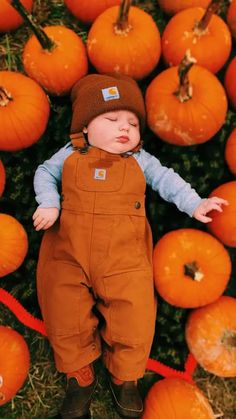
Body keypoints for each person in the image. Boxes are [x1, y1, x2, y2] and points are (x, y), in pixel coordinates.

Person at [33, 74, 228, 419]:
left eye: (132, 123)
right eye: (111, 120)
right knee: (62, 306)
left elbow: (167, 180)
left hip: (125, 258)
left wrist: (195, 203)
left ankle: (126, 375)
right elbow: (44, 173)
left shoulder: (140, 160)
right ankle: (80, 373)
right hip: (68, 251)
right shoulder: (68, 154)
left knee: (135, 315)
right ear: (86, 128)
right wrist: (48, 202)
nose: (124, 128)